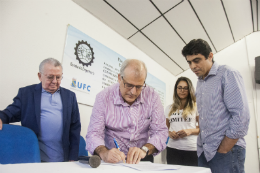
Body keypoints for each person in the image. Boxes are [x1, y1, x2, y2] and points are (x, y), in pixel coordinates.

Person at [182, 39, 250, 173]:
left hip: (226, 151)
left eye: (197, 60)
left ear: (210, 56)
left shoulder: (227, 74)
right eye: (189, 62)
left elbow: (241, 116)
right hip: (204, 151)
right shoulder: (200, 82)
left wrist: (224, 148)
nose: (192, 66)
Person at [86, 59, 168, 164]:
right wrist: (104, 152)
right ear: (120, 78)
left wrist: (145, 149)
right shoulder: (103, 97)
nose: (133, 92)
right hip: (111, 159)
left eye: (139, 87)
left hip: (142, 158)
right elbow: (94, 133)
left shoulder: (153, 97)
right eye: (129, 85)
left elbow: (160, 132)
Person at [0, 58, 81, 162]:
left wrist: (72, 158)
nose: (54, 82)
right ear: (40, 76)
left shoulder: (70, 96)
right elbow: (9, 113)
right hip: (34, 157)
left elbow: (75, 128)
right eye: (50, 77)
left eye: (58, 77)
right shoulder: (26, 94)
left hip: (62, 159)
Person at [165, 76, 199, 166]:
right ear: (176, 89)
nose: (182, 90)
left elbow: (203, 129)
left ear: (190, 90)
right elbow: (164, 128)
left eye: (185, 88)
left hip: (191, 149)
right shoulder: (169, 108)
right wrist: (169, 133)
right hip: (172, 149)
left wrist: (190, 131)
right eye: (179, 88)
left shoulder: (196, 107)